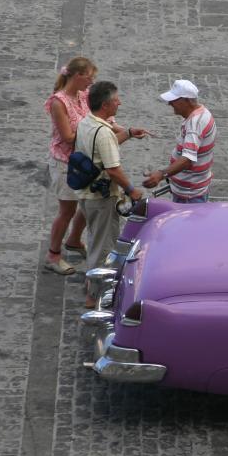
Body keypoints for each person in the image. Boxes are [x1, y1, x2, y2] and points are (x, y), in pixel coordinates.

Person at [74, 81, 147, 305]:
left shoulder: (87, 123)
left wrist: (129, 134)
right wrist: (132, 191)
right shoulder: (103, 132)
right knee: (103, 247)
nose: (120, 103)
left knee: (95, 238)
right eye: (116, 100)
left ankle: (92, 284)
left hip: (86, 193)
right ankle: (93, 295)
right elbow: (113, 169)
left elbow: (105, 147)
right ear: (106, 105)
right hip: (101, 198)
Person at [43, 57, 96, 275]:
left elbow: (95, 117)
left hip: (84, 159)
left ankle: (74, 240)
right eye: (89, 77)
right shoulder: (59, 102)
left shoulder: (83, 95)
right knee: (67, 211)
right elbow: (67, 136)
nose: (91, 82)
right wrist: (96, 131)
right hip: (66, 163)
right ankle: (53, 255)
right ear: (77, 76)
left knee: (87, 202)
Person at [143, 80, 217, 203]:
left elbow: (187, 160)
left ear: (187, 101)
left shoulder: (195, 124)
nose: (169, 103)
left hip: (189, 194)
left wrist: (161, 174)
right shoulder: (203, 113)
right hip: (192, 189)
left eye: (174, 100)